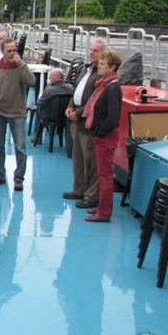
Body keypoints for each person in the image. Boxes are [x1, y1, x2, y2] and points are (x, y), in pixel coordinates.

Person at [0, 37, 36, 191]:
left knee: (20, 147)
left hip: (17, 112)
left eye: (15, 50)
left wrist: (20, 63)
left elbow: (32, 81)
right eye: (9, 51)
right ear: (2, 51)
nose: (13, 53)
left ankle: (18, 178)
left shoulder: (21, 67)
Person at [63, 40, 107, 209]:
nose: (91, 53)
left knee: (90, 160)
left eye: (95, 51)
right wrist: (69, 106)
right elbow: (75, 91)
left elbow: (94, 99)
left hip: (87, 122)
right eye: (90, 49)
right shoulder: (85, 69)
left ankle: (91, 195)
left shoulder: (101, 75)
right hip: (75, 119)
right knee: (78, 158)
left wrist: (78, 113)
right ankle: (79, 189)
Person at [81, 49, 123, 222]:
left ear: (112, 67)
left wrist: (98, 130)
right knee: (102, 173)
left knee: (105, 175)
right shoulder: (104, 85)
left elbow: (113, 118)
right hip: (101, 136)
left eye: (103, 64)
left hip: (105, 137)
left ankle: (104, 212)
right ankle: (101, 207)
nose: (99, 66)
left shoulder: (112, 88)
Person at [32, 68, 74, 145]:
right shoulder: (70, 88)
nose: (49, 78)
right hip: (65, 116)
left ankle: (38, 136)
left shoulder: (49, 90)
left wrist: (39, 99)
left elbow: (40, 103)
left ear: (57, 77)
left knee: (38, 109)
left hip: (51, 117)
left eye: (51, 76)